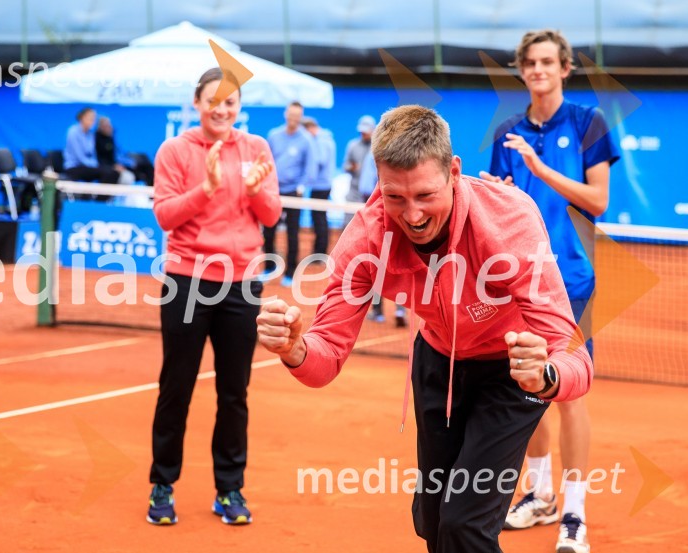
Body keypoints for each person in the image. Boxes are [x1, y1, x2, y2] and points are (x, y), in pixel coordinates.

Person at [257, 105, 593, 552]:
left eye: (425, 195)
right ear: (378, 181)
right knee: (432, 521)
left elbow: (574, 356)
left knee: (464, 523)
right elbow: (324, 360)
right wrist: (296, 347)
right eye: (394, 196)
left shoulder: (507, 220)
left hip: (514, 370)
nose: (412, 216)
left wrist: (545, 374)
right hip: (439, 360)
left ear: (454, 171)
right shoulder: (366, 239)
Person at [481, 29, 620, 553]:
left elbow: (599, 201)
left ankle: (575, 514)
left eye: (548, 62)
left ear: (564, 69)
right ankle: (539, 493)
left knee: (569, 393)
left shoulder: (589, 124)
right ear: (521, 70)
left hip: (572, 280)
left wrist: (540, 171)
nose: (538, 70)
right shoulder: (508, 131)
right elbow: (501, 201)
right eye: (530, 63)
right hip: (520, 280)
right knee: (525, 388)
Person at [147, 67, 280, 526]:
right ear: (196, 102)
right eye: (213, 101)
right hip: (186, 281)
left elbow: (271, 214)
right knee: (176, 388)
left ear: (238, 107)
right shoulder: (175, 150)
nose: (222, 109)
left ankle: (230, 489)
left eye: (231, 102)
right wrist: (205, 189)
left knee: (234, 393)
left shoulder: (257, 149)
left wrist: (256, 190)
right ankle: (162, 484)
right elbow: (165, 215)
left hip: (242, 283)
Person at [264, 101, 316, 286]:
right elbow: (266, 160)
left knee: (292, 234)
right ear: (286, 114)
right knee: (268, 230)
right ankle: (268, 268)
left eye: (297, 116)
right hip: (273, 191)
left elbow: (310, 167)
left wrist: (301, 186)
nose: (293, 119)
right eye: (291, 115)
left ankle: (290, 272)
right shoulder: (274, 135)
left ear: (300, 117)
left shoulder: (306, 139)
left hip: (294, 193)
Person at [357, 149, 407, 327]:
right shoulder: (407, 158)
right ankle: (400, 310)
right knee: (399, 267)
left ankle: (378, 312)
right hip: (401, 226)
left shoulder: (378, 158)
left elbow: (366, 188)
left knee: (379, 269)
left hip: (382, 223)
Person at [301, 116, 335, 257]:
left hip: (321, 185)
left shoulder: (320, 141)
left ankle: (320, 252)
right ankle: (318, 251)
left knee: (319, 218)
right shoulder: (325, 139)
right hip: (321, 184)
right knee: (319, 218)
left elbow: (318, 161)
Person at [63, 107, 119, 184]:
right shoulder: (73, 132)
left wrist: (99, 165)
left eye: (94, 118)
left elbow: (93, 154)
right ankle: (96, 195)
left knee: (113, 173)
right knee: (107, 172)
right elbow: (80, 158)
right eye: (90, 117)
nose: (93, 120)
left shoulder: (90, 134)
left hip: (88, 166)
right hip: (74, 167)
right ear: (82, 117)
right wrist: (97, 165)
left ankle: (100, 195)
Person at [342, 114, 375, 226]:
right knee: (348, 224)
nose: (363, 134)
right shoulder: (352, 145)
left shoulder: (378, 148)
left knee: (370, 226)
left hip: (371, 195)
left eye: (366, 131)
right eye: (362, 131)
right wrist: (352, 167)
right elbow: (345, 166)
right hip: (354, 193)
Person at [95, 115, 135, 185]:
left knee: (131, 173)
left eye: (109, 126)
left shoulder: (111, 139)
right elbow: (98, 159)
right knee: (124, 176)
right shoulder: (96, 139)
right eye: (106, 126)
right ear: (100, 127)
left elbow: (118, 156)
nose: (109, 128)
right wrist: (113, 167)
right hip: (104, 168)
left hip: (113, 166)